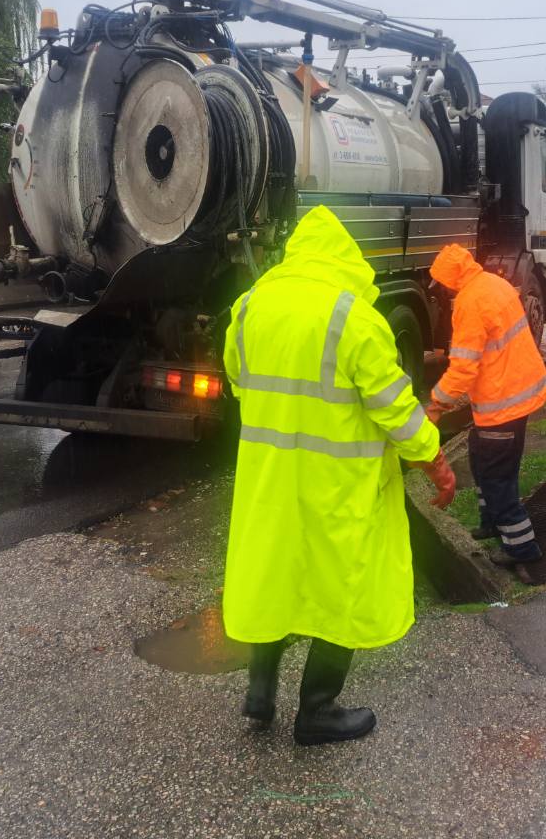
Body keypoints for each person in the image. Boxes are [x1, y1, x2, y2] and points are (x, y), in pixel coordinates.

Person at [222, 206, 455, 746]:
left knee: (272, 578)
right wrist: (435, 460)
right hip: (338, 486)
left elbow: (238, 377)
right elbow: (394, 406)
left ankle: (260, 696)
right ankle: (318, 710)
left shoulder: (251, 304)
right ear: (343, 256)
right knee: (339, 587)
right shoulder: (353, 317)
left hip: (271, 480)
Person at [426, 243, 546, 585]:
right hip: (515, 396)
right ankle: (490, 521)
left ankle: (522, 548)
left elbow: (463, 368)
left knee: (496, 476)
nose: (442, 291)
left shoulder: (470, 303)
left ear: (450, 280)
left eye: (441, 283)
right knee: (482, 459)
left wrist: (435, 404)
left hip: (502, 403)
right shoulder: (494, 284)